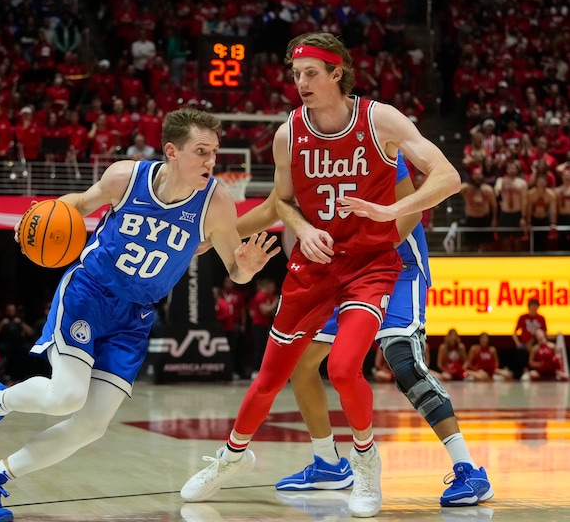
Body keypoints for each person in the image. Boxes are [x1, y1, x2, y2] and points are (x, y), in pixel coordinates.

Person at [0, 107, 280, 522]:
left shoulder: (216, 203)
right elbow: (78, 205)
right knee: (66, 395)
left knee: (91, 426)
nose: (211, 162)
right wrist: (35, 219)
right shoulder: (127, 177)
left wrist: (247, 267)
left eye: (214, 152)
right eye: (201, 152)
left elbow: (235, 269)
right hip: (89, 291)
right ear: (172, 151)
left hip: (135, 316)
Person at [181, 32, 463, 518]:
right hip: (313, 267)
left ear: (338, 73)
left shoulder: (381, 120)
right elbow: (280, 204)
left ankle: (366, 464)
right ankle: (230, 458)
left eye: (311, 73)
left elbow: (447, 177)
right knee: (273, 375)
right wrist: (236, 233)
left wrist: (389, 210)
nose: (301, 82)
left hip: (370, 266)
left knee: (343, 366)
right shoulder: (288, 133)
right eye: (295, 74)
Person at [199, 152, 491, 510]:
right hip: (341, 268)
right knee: (302, 364)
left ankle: (468, 469)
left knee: (403, 362)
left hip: (396, 264)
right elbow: (275, 206)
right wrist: (215, 236)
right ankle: (329, 463)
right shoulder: (304, 147)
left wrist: (367, 252)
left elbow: (411, 212)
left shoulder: (376, 142)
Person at [512, 298, 547, 379]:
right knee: (520, 349)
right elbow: (514, 333)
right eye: (532, 305)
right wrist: (518, 343)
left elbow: (544, 333)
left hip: (537, 343)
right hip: (524, 343)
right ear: (529, 306)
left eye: (536, 305)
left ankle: (540, 370)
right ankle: (525, 370)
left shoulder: (541, 318)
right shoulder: (523, 317)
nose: (534, 307)